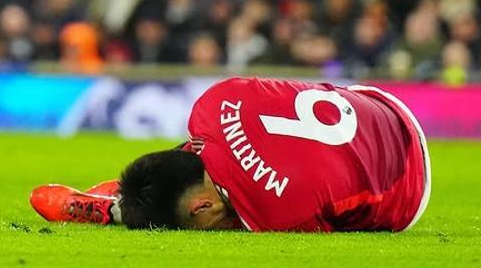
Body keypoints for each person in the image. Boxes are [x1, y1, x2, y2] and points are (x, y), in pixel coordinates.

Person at [30, 77, 431, 232]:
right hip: (371, 103)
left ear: (200, 206)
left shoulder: (279, 215)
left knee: (240, 214)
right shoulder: (212, 102)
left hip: (407, 185)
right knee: (208, 150)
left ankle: (117, 209)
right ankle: (126, 202)